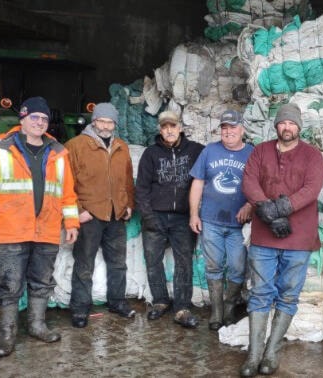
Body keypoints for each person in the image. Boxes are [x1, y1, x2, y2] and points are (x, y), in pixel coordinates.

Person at [0, 96, 79, 357]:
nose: (40, 123)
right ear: (23, 119)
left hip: (47, 228)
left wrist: (72, 222)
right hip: (11, 229)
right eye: (35, 118)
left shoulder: (58, 152)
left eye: (43, 119)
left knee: (42, 280)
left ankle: (36, 325)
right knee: (9, 284)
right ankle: (7, 334)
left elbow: (67, 193)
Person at [239, 103, 323, 377]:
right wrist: (266, 208)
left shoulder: (312, 155)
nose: (287, 128)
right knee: (260, 293)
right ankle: (253, 357)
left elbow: (312, 188)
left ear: (299, 127)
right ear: (276, 125)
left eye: (292, 123)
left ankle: (271, 354)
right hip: (264, 237)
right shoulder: (260, 151)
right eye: (282, 123)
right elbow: (249, 181)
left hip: (299, 239)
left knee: (288, 296)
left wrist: (282, 209)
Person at [65, 102, 135, 328]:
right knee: (84, 263)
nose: (105, 126)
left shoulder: (122, 147)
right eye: (101, 121)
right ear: (93, 121)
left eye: (110, 122)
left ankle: (117, 301)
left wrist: (128, 205)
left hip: (116, 214)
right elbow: (64, 184)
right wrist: (77, 211)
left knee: (118, 263)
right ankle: (80, 308)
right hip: (90, 214)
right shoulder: (75, 146)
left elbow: (127, 181)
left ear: (115, 123)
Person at [135, 110, 204, 327]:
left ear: (180, 127)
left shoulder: (196, 151)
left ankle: (182, 308)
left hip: (183, 217)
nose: (169, 130)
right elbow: (142, 188)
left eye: (172, 126)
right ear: (160, 130)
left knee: (184, 262)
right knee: (153, 259)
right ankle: (160, 301)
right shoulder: (150, 154)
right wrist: (148, 216)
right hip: (156, 215)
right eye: (165, 127)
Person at [188, 109, 253, 331]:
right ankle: (216, 311)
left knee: (237, 266)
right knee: (213, 265)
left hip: (239, 225)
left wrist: (250, 204)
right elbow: (197, 183)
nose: (228, 132)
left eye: (232, 127)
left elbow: (260, 187)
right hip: (211, 220)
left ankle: (229, 306)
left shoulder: (252, 154)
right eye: (224, 128)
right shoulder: (209, 151)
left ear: (242, 129)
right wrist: (194, 214)